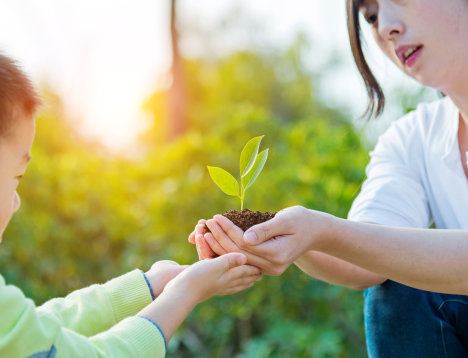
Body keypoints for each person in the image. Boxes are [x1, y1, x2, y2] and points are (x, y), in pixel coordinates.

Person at [0, 25, 262, 357]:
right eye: (15, 178)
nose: (15, 202)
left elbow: (33, 332)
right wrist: (184, 294)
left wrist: (148, 285)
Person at [188, 0, 468, 357]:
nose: (385, 27)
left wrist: (321, 232)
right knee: (397, 280)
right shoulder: (414, 139)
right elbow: (363, 256)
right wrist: (288, 237)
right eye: (371, 16)